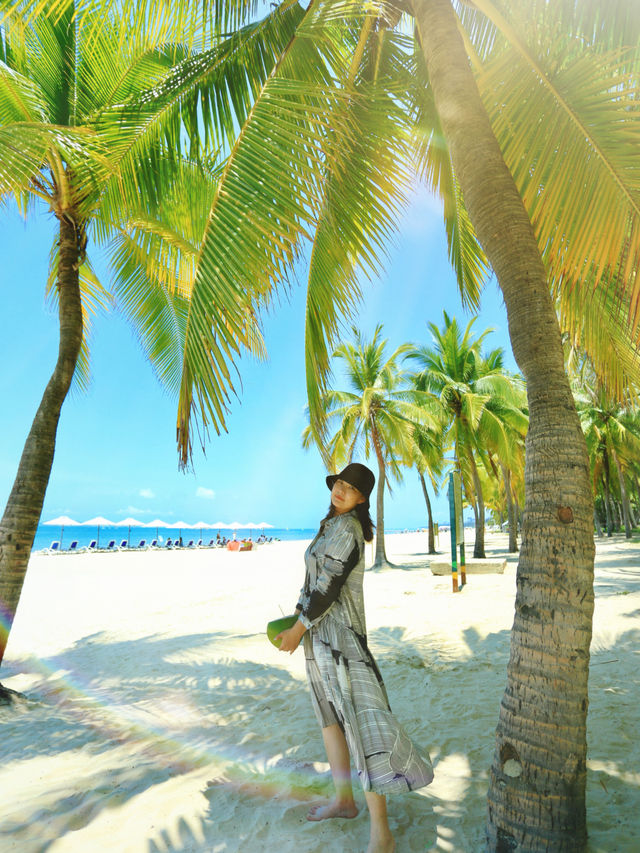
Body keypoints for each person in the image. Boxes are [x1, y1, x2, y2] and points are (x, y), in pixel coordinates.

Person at [275, 463, 433, 853]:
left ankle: (382, 834)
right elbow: (311, 583)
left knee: (361, 729)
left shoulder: (347, 530)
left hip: (342, 641)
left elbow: (328, 587)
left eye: (351, 488)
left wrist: (298, 629)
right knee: (330, 722)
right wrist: (296, 620)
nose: (341, 490)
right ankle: (344, 801)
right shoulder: (330, 525)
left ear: (362, 498)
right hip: (317, 637)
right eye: (339, 483)